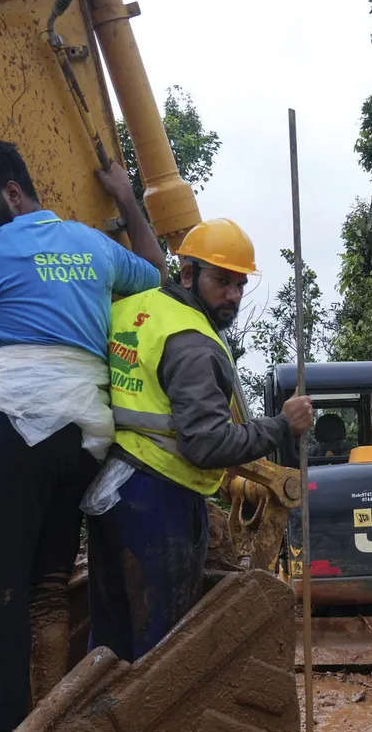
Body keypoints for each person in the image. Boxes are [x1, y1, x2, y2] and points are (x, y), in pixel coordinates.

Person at [0, 137, 165, 732]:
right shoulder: (93, 245)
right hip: (84, 440)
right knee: (47, 584)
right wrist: (128, 201)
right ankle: (54, 718)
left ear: (13, 192)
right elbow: (157, 280)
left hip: (15, 429)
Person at [91, 218, 313, 662]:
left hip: (111, 489)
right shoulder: (193, 342)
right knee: (160, 646)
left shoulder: (135, 308)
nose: (231, 295)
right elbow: (207, 445)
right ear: (188, 274)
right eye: (221, 281)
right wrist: (281, 426)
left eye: (239, 284)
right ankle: (150, 731)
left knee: (111, 638)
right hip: (159, 500)